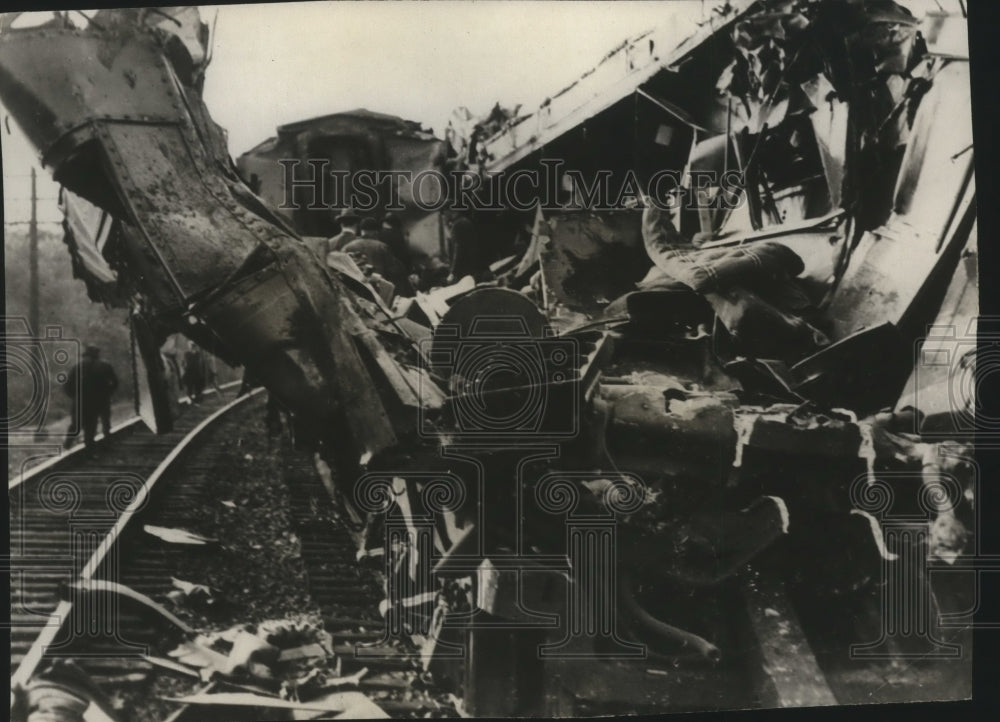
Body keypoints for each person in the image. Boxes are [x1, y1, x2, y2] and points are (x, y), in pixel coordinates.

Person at [63, 345, 118, 450]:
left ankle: (67, 446)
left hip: (79, 401)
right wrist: (107, 393)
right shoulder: (105, 366)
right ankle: (92, 449)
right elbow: (115, 383)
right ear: (97, 355)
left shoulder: (77, 366)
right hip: (97, 401)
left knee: (75, 425)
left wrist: (75, 397)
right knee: (91, 426)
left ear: (85, 355)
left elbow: (67, 386)